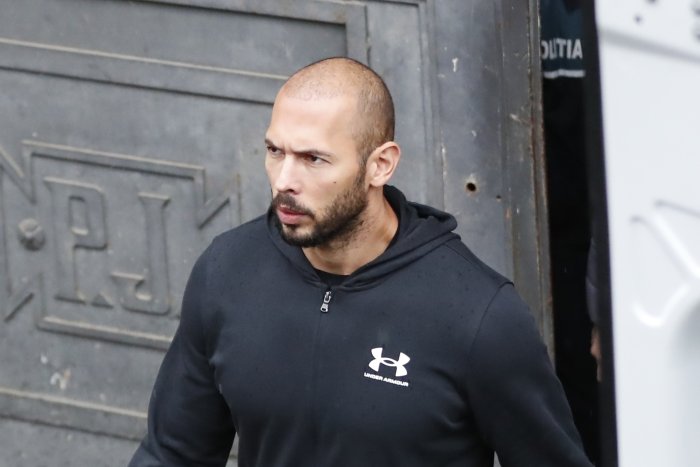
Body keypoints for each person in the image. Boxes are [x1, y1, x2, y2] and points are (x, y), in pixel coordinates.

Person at [129, 57, 593, 467]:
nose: (284, 180)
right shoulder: (227, 271)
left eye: (314, 159)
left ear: (380, 165)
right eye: (275, 151)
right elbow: (173, 455)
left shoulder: (479, 315)